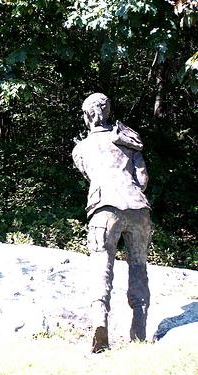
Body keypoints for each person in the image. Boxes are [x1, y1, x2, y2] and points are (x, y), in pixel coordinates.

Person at [72, 93, 152, 353]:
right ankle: (139, 331)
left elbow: (88, 175)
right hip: (138, 207)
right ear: (107, 111)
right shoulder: (128, 140)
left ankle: (100, 323)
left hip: (104, 208)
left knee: (101, 266)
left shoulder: (81, 148)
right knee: (138, 267)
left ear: (87, 115)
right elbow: (143, 177)